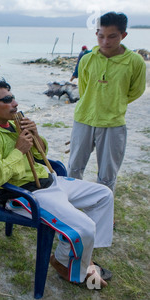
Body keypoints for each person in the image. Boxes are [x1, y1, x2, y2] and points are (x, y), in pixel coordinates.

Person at [0, 80, 114, 288]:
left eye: (12, 97)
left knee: (104, 195)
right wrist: (18, 151)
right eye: (7, 99)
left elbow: (42, 154)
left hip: (49, 180)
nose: (15, 103)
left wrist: (36, 134)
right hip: (26, 194)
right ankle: (69, 264)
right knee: (85, 226)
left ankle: (78, 254)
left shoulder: (14, 123)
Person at [68, 12, 146, 192]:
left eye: (112, 37)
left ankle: (103, 214)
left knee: (107, 174)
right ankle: (70, 208)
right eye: (100, 36)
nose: (105, 42)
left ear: (123, 36)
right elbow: (84, 88)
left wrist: (115, 102)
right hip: (84, 119)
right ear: (96, 34)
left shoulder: (135, 62)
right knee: (74, 168)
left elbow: (136, 90)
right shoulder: (87, 59)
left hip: (113, 123)